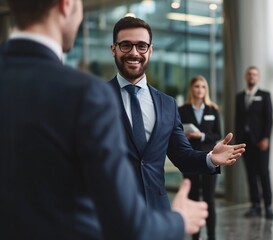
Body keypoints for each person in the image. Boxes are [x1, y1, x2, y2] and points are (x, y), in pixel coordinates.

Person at [0, 0, 209, 239]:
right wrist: (179, 221)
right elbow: (128, 226)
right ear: (66, 5)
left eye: (142, 46)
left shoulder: (163, 103)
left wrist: (210, 158)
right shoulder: (86, 94)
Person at [108, 16, 246, 211]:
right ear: (113, 49)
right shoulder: (94, 99)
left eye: (141, 46)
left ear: (150, 50)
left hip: (157, 213)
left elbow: (181, 155)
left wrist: (210, 158)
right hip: (110, 213)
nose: (134, 53)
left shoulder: (167, 104)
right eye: (125, 45)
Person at [179, 75, 222, 240]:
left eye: (203, 87)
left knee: (209, 199)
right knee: (193, 198)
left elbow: (217, 133)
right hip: (190, 158)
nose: (200, 90)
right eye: (197, 86)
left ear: (206, 90)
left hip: (210, 158)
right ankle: (195, 237)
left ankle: (212, 236)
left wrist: (202, 135)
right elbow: (177, 132)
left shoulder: (213, 109)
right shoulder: (182, 110)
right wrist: (186, 136)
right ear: (192, 89)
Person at [235, 66, 273, 220]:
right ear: (246, 77)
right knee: (250, 175)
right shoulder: (239, 97)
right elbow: (237, 120)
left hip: (260, 142)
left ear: (258, 78)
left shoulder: (265, 95)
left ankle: (268, 206)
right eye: (249, 74)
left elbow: (269, 119)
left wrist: (266, 138)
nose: (252, 77)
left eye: (255, 74)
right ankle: (255, 205)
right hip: (245, 143)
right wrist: (237, 142)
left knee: (263, 173)